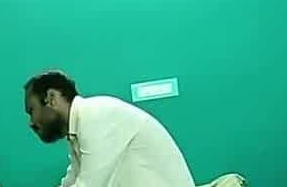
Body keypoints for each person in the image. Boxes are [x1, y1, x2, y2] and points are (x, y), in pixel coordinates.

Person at [23, 70, 196, 187]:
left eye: (32, 111)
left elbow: (89, 184)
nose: (31, 122)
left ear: (51, 98)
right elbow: (71, 180)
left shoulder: (95, 115)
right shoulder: (80, 128)